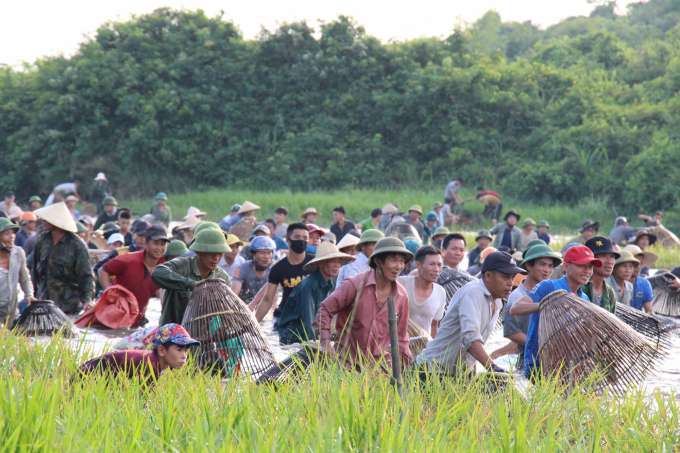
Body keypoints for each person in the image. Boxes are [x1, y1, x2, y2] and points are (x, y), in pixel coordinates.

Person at [416, 251, 524, 377]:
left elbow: (475, 343)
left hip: (457, 374)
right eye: (505, 277)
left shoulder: (498, 302)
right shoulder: (473, 293)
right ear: (488, 276)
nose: (511, 283)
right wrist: (492, 367)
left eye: (512, 277)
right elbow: (470, 337)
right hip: (432, 370)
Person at [315, 238, 413, 370]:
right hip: (345, 363)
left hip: (379, 368)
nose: (399, 266)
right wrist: (325, 341)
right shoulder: (355, 285)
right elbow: (325, 309)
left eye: (402, 261)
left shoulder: (401, 295)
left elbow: (401, 337)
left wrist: (409, 368)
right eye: (394, 260)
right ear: (378, 261)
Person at [509, 245, 601, 380]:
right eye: (582, 266)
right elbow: (516, 308)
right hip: (540, 364)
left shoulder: (584, 299)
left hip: (570, 366)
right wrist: (547, 303)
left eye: (590, 267)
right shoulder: (548, 286)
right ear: (566, 267)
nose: (587, 271)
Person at [492, 245, 562, 367]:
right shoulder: (518, 297)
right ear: (529, 266)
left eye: (550, 266)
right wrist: (541, 346)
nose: (547, 270)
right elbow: (511, 332)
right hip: (529, 361)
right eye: (542, 264)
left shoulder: (552, 292)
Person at [72, 323, 199, 386]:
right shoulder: (150, 365)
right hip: (89, 375)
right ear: (161, 350)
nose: (184, 356)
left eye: (186, 350)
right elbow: (142, 400)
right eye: (179, 349)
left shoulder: (156, 362)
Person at [278, 241, 355, 345]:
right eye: (332, 261)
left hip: (306, 334)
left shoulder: (328, 284)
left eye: (338, 261)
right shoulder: (309, 286)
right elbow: (308, 320)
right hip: (292, 338)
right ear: (320, 263)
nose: (337, 265)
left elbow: (324, 316)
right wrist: (317, 345)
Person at [152, 228, 231, 325]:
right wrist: (191, 285)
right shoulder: (182, 266)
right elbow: (157, 272)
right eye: (211, 253)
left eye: (220, 253)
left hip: (204, 337)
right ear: (199, 252)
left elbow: (224, 311)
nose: (216, 258)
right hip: (173, 334)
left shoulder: (223, 278)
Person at [30, 202, 95, 314]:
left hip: (69, 305)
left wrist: (87, 300)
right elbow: (34, 271)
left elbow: (86, 276)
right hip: (44, 303)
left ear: (56, 221)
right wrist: (32, 295)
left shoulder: (77, 245)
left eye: (47, 218)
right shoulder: (42, 240)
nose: (43, 221)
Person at [97, 225, 169, 324]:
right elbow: (102, 270)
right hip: (113, 315)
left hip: (137, 319)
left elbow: (162, 294)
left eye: (163, 244)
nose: (159, 248)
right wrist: (109, 293)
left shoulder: (164, 268)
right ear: (146, 243)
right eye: (156, 243)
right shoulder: (128, 259)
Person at [252, 223, 314, 324]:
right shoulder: (278, 269)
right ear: (288, 241)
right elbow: (267, 300)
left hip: (310, 313)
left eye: (305, 238)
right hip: (285, 316)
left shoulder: (315, 263)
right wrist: (253, 324)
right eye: (297, 237)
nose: (301, 241)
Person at [398, 246, 446, 337]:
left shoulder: (440, 292)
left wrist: (432, 348)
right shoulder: (402, 283)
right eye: (431, 264)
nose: (436, 269)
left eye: (439, 265)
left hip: (424, 347)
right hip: (399, 345)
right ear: (418, 265)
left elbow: (434, 324)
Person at [0, 218, 34, 325]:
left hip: (10, 310)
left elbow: (24, 277)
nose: (12, 237)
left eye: (13, 233)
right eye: (7, 233)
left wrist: (29, 294)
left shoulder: (18, 253)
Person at [232, 236, 276, 304]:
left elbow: (275, 299)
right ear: (253, 254)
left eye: (269, 253)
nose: (266, 257)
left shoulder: (275, 270)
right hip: (243, 308)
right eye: (262, 253)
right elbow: (234, 295)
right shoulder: (241, 269)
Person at [581, 236, 618, 313]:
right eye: (603, 256)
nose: (609, 261)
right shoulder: (580, 287)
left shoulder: (609, 292)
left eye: (612, 257)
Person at [624, 244, 657, 313]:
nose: (638, 267)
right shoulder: (616, 282)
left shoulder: (645, 284)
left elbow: (649, 311)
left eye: (640, 263)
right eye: (635, 263)